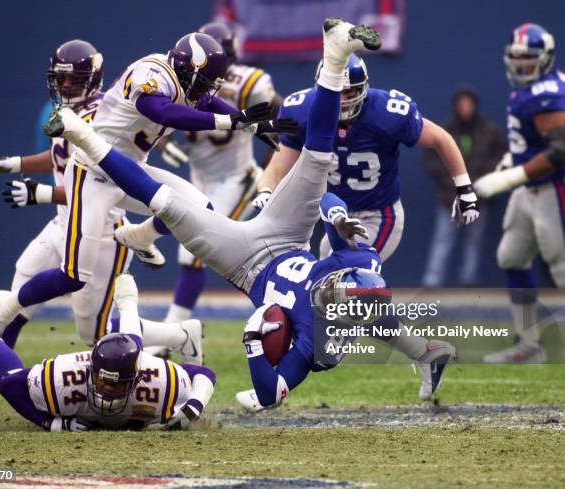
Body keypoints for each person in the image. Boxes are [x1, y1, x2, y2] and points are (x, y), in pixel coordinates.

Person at [37, 18, 456, 411]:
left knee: (167, 203)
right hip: (288, 234)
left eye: (336, 301)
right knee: (316, 160)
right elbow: (332, 207)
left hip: (245, 262)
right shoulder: (355, 265)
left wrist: (256, 345)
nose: (333, 291)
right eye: (340, 287)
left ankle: (84, 137)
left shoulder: (317, 343)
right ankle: (335, 54)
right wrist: (336, 215)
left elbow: (269, 394)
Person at [0, 40, 202, 417]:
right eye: (61, 81)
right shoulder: (64, 111)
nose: (66, 88)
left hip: (99, 229)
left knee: (95, 336)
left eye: (75, 81)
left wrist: (40, 195)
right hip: (60, 228)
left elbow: (92, 186)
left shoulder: (102, 118)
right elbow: (58, 158)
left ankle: (179, 335)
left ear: (94, 79)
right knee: (12, 304)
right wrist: (16, 163)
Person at [251, 54, 480, 264]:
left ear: (363, 88)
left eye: (349, 92)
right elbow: (277, 168)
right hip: (334, 215)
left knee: (346, 273)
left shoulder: (387, 113)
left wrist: (465, 190)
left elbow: (441, 138)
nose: (341, 100)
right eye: (335, 92)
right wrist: (265, 191)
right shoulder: (301, 111)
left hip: (378, 216)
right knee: (326, 286)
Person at [0, 274, 216, 432]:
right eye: (103, 381)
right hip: (102, 367)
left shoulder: (157, 378)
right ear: (90, 371)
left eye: (117, 384)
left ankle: (129, 303)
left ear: (137, 377)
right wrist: (52, 423)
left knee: (129, 343)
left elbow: (204, 374)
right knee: (114, 336)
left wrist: (194, 405)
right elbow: (9, 384)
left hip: (134, 359)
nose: (108, 389)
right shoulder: (63, 377)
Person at [157, 22, 281, 323]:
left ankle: (173, 332)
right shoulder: (182, 80)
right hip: (200, 178)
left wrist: (270, 168)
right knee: (214, 252)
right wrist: (162, 142)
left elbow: (277, 111)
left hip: (236, 179)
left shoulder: (248, 82)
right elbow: (159, 112)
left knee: (198, 253)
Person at [472, 23, 565, 363]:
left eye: (530, 59)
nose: (522, 65)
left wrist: (509, 177)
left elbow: (559, 150)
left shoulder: (549, 93)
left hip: (555, 187)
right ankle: (529, 344)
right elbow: (536, 141)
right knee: (511, 257)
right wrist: (514, 159)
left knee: (562, 269)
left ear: (546, 58)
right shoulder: (529, 90)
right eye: (517, 58)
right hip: (530, 190)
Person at [422, 86, 507, 287]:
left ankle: (468, 279)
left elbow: (500, 158)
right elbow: (431, 160)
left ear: (475, 106)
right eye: (462, 105)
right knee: (443, 239)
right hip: (448, 198)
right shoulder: (444, 130)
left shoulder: (489, 131)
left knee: (474, 241)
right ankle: (432, 281)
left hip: (479, 198)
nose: (465, 108)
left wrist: (479, 182)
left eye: (469, 105)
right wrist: (452, 183)